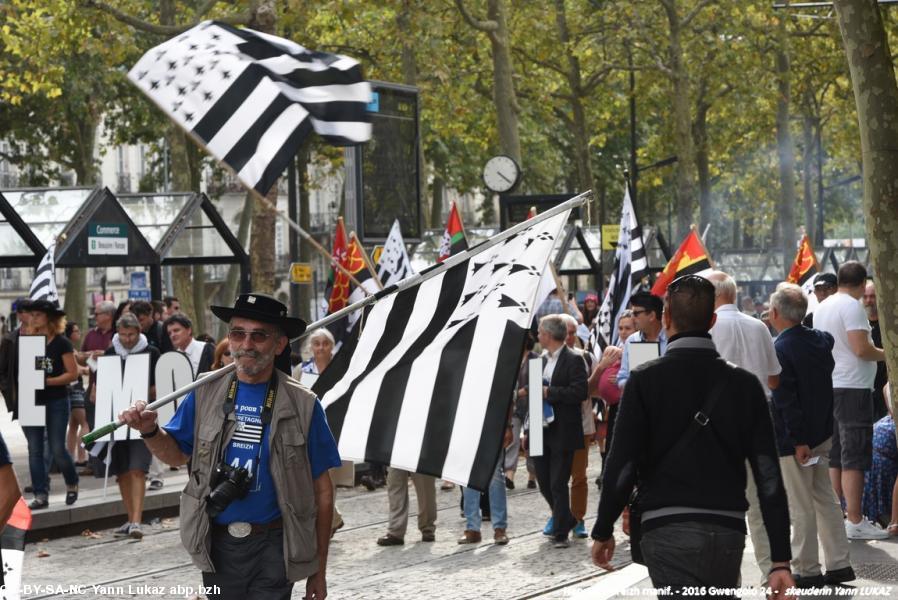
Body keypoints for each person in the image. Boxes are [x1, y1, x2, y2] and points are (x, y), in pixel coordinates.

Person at [120, 293, 341, 599]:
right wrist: (149, 430)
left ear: (279, 345)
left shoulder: (303, 404)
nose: (246, 344)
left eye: (259, 336)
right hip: (217, 543)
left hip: (276, 544)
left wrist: (319, 571)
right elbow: (176, 452)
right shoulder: (205, 391)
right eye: (238, 333)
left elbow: (323, 492)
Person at [591, 275, 795, 597]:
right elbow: (768, 476)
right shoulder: (745, 385)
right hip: (726, 528)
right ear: (712, 321)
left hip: (666, 526)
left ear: (666, 317)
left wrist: (603, 529)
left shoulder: (644, 381)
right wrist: (780, 560)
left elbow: (622, 463)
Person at [768, 283, 854, 588]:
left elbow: (785, 398)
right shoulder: (820, 341)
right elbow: (827, 339)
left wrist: (797, 439)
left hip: (796, 440)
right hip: (822, 431)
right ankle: (839, 563)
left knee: (801, 504)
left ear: (776, 312)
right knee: (826, 498)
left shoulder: (779, 348)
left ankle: (807, 568)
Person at [706, 270, 782, 584]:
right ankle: (769, 573)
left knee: (722, 504)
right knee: (760, 503)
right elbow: (775, 378)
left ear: (713, 296)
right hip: (758, 417)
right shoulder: (759, 326)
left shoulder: (705, 329)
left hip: (718, 424)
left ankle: (729, 575)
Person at [813, 261, 888, 540]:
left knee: (837, 455)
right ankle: (855, 518)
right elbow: (861, 349)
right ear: (861, 283)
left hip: (832, 385)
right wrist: (888, 353)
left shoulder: (823, 306)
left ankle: (838, 517)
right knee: (854, 455)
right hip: (853, 387)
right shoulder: (852, 306)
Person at [101, 313, 160, 539]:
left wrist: (143, 393)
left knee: (137, 470)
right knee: (122, 472)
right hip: (117, 421)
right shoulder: (110, 353)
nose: (127, 339)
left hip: (141, 419)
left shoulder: (151, 352)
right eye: (123, 335)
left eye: (131, 334)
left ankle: (136, 520)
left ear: (139, 332)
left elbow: (159, 386)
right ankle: (130, 518)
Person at [530, 314, 587, 549]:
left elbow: (579, 393)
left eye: (541, 332)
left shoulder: (574, 359)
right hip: (538, 429)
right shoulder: (537, 361)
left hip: (563, 430)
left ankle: (561, 532)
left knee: (557, 482)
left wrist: (550, 393)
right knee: (544, 481)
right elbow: (533, 398)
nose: (538, 336)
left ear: (550, 335)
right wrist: (528, 431)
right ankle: (568, 518)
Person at [22, 299, 80, 509]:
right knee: (35, 449)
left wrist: (47, 381)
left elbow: (72, 374)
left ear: (49, 318)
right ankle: (40, 494)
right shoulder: (28, 340)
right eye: (32, 314)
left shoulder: (61, 343)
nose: (33, 318)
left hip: (56, 399)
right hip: (31, 399)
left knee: (57, 447)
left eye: (38, 314)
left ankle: (72, 482)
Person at [588, 310, 635, 483]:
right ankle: (609, 478)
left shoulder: (640, 346)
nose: (623, 332)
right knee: (612, 448)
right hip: (613, 407)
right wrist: (603, 367)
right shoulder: (615, 350)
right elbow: (591, 386)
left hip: (631, 407)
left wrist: (624, 378)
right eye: (620, 328)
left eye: (627, 328)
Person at [560, 314, 593, 539]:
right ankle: (559, 516)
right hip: (555, 428)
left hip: (582, 426)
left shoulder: (587, 358)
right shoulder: (542, 360)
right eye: (566, 333)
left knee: (579, 476)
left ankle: (578, 518)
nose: (570, 337)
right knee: (555, 478)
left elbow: (594, 390)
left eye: (573, 333)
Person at [81, 300, 116, 441]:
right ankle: (95, 461)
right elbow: (81, 358)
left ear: (108, 315)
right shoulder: (91, 334)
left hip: (114, 389)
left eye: (96, 314)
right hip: (93, 388)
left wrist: (106, 354)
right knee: (93, 427)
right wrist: (88, 356)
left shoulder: (118, 334)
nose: (93, 316)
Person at [507, 333, 538, 490]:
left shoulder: (535, 358)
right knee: (512, 439)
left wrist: (519, 392)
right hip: (514, 406)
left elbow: (536, 382)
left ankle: (532, 476)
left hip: (534, 405)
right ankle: (509, 474)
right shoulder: (511, 357)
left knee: (533, 441)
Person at [616, 292, 667, 390]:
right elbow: (622, 378)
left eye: (636, 313)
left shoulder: (672, 339)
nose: (632, 318)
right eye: (631, 314)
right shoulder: (632, 341)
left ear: (652, 315)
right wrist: (635, 386)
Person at [64, 321, 91, 466]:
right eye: (76, 331)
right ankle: (81, 457)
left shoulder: (70, 349)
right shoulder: (68, 348)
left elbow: (80, 356)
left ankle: (70, 457)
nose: (79, 333)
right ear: (69, 334)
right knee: (85, 423)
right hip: (75, 390)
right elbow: (78, 368)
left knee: (73, 425)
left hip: (69, 390)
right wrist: (88, 369)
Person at [0, 298, 32, 418]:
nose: (31, 314)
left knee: (45, 435)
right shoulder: (10, 340)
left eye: (33, 311)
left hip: (45, 395)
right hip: (20, 396)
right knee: (32, 435)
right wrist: (9, 391)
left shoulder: (45, 336)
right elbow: (2, 369)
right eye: (26, 311)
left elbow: (49, 364)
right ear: (18, 315)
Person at [863, 280, 888, 422]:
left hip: (886, 388)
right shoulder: (860, 326)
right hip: (868, 389)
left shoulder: (888, 324)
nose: (868, 301)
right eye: (865, 297)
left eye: (872, 296)